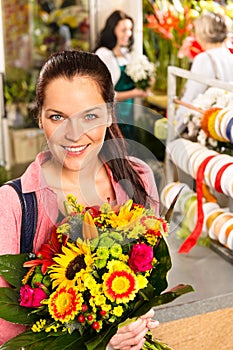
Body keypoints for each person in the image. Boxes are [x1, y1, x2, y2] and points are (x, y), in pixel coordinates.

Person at [0, 50, 159, 348]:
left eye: (90, 116)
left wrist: (137, 322)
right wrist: (101, 344)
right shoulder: (13, 205)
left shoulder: (138, 178)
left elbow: (149, 277)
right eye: (58, 116)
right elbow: (7, 335)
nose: (74, 135)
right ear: (39, 117)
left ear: (110, 113)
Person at [94, 10, 151, 142]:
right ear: (113, 30)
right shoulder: (104, 54)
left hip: (128, 115)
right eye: (123, 30)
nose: (128, 34)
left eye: (130, 29)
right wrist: (135, 93)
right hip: (112, 116)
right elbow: (104, 94)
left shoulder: (127, 54)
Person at [175, 12, 233, 133]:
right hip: (224, 126)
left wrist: (175, 129)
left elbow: (191, 97)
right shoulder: (229, 56)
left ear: (203, 33)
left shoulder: (204, 59)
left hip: (207, 126)